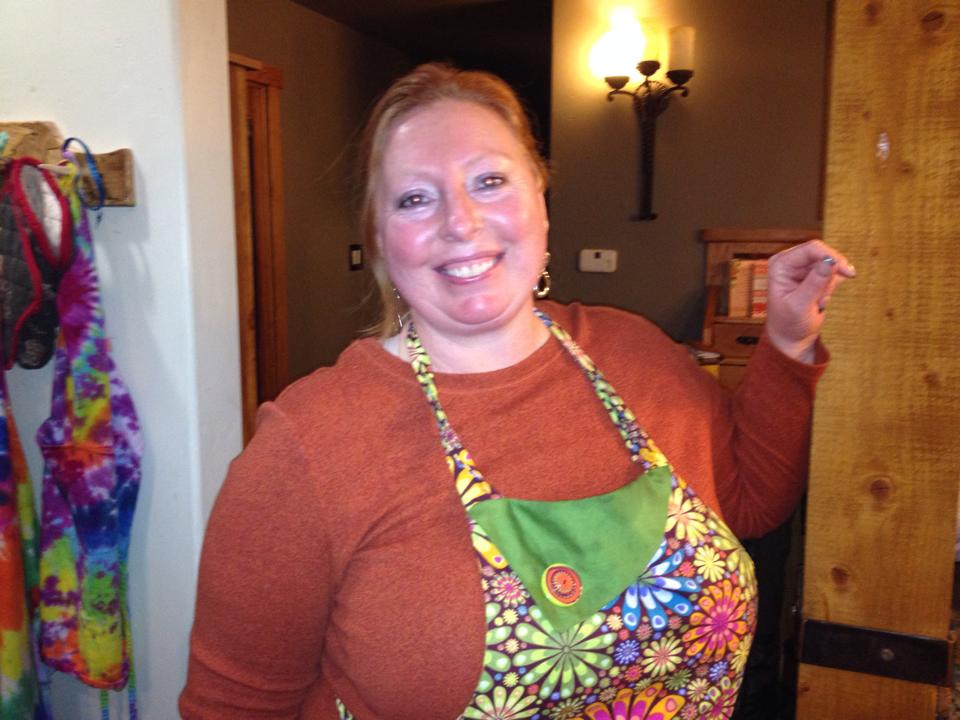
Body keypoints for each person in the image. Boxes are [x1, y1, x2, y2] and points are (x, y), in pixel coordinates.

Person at [179, 63, 855, 719]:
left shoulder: (635, 353)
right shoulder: (311, 443)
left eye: (490, 181)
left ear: (540, 199)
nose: (461, 222)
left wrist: (788, 343)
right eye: (415, 198)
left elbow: (752, 501)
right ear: (380, 242)